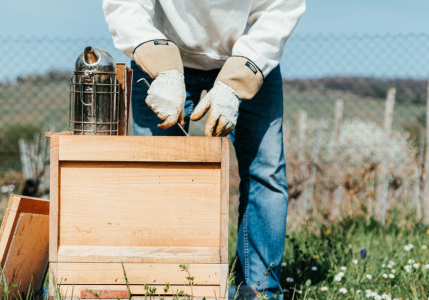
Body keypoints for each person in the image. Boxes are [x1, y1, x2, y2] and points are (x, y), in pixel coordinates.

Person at [102, 1, 305, 299]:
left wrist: (238, 80)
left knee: (266, 173)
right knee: (153, 176)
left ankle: (260, 290)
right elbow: (126, 5)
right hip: (161, 54)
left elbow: (280, 10)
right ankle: (161, 286)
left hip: (246, 55)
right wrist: (162, 68)